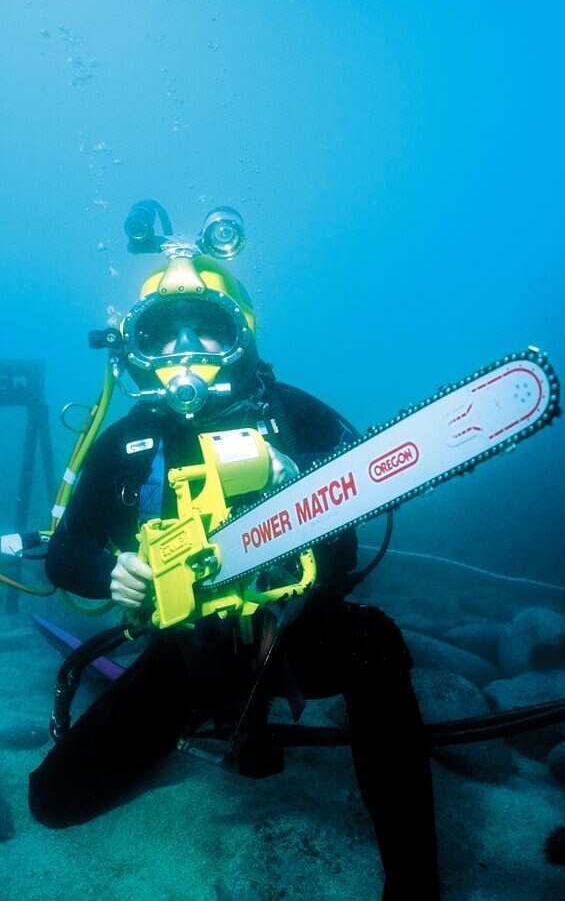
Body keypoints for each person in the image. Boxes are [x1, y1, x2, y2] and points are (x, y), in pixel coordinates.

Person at [28, 235, 441, 900]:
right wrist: (111, 572)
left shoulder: (296, 415)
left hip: (298, 632)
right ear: (135, 345)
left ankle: (415, 880)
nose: (185, 351)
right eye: (164, 334)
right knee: (53, 801)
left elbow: (349, 545)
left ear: (240, 334)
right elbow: (65, 552)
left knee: (374, 645)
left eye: (207, 329)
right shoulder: (126, 442)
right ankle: (201, 721)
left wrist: (292, 522)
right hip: (185, 650)